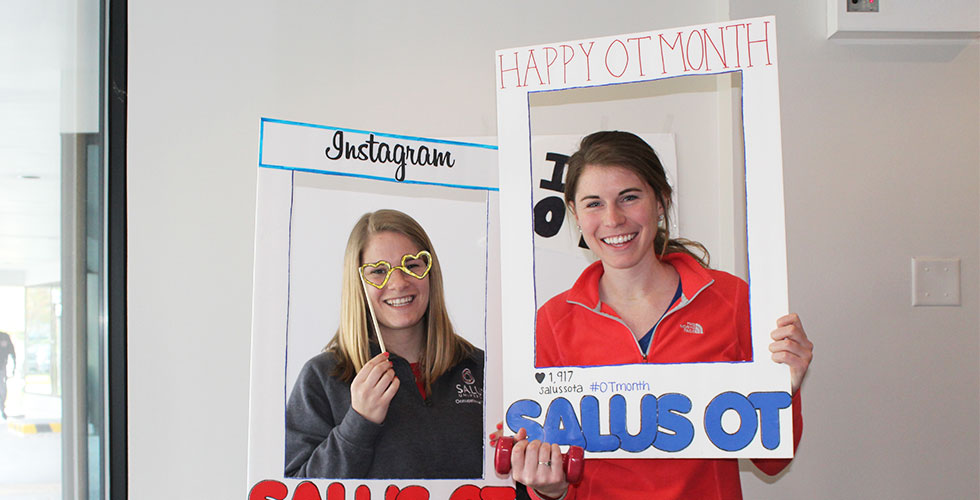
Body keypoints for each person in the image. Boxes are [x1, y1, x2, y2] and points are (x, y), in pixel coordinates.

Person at [504, 131, 813, 500]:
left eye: (629, 198)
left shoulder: (732, 300)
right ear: (574, 213)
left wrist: (785, 389)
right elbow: (553, 472)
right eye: (594, 204)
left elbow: (772, 463)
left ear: (661, 201)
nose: (614, 219)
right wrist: (548, 490)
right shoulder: (553, 321)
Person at [285, 209, 484, 479]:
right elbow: (296, 489)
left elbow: (516, 484)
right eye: (379, 271)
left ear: (430, 272)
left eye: (412, 265)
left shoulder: (481, 368)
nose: (399, 282)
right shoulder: (322, 378)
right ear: (358, 285)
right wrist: (358, 423)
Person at [0, 330, 15, 420]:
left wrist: (13, 368)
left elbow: (12, 352)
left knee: (2, 390)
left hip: (2, 368)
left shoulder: (4, 336)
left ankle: (2, 408)